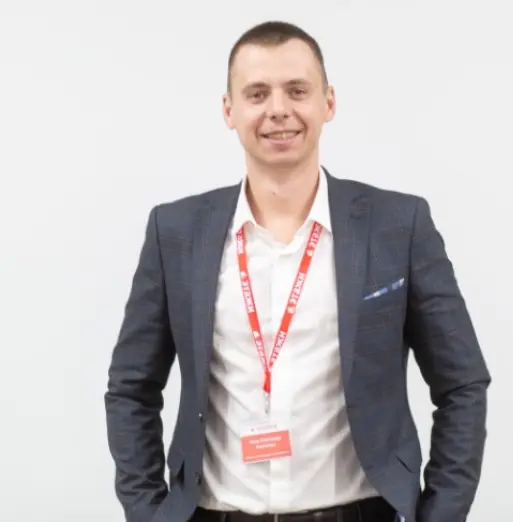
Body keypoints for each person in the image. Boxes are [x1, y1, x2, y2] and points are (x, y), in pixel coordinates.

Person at [104, 20, 491, 522]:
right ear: (229, 110)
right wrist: (149, 513)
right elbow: (130, 388)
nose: (278, 109)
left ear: (329, 102)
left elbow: (462, 383)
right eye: (257, 93)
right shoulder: (175, 232)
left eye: (297, 90)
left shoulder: (398, 225)